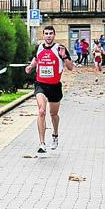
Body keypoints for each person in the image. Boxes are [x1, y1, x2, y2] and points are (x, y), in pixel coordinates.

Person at [25, 26, 73, 154]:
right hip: (40, 84)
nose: (48, 36)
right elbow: (36, 59)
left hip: (55, 86)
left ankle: (55, 135)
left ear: (54, 35)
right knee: (41, 111)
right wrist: (30, 67)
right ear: (43, 35)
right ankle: (42, 143)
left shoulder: (60, 49)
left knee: (53, 114)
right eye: (46, 33)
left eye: (51, 33)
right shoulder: (39, 47)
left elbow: (70, 67)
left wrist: (64, 57)